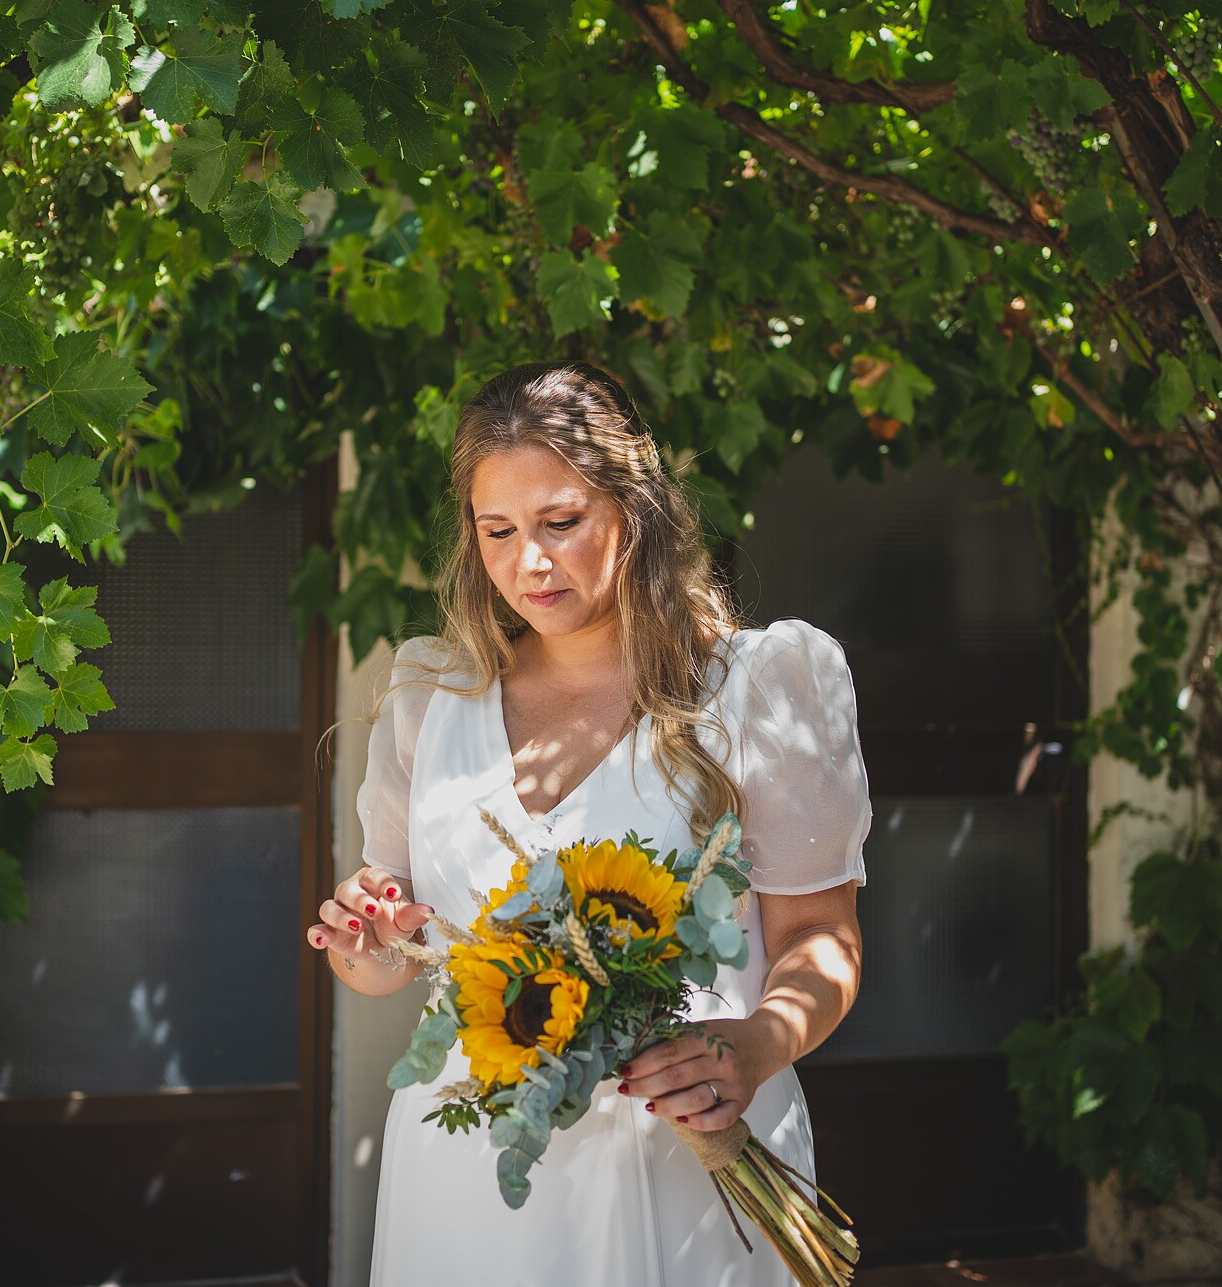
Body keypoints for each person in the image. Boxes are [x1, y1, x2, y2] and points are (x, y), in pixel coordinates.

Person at [307, 361, 872, 1286]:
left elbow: (821, 935)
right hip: (470, 1182)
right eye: (499, 531)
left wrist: (757, 1044)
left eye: (561, 523)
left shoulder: (756, 689)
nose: (530, 561)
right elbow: (383, 960)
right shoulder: (429, 699)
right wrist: (365, 936)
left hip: (680, 1165)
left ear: (635, 508)